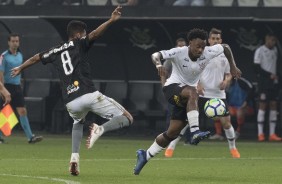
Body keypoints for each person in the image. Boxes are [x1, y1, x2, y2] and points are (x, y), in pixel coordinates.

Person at [11, 6, 133, 176]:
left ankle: (74, 159)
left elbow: (35, 58)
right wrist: (111, 20)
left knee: (78, 122)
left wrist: (20, 68)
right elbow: (96, 34)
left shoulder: (55, 50)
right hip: (87, 93)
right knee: (127, 117)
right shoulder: (78, 43)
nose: (85, 36)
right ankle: (100, 129)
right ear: (77, 35)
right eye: (84, 33)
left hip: (70, 102)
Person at [133, 28, 241, 175]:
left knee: (171, 133)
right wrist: (158, 65)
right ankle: (195, 131)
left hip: (187, 95)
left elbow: (226, 47)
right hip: (172, 88)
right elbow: (155, 55)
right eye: (198, 46)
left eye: (203, 46)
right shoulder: (179, 52)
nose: (201, 49)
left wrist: (233, 67)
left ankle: (145, 155)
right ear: (190, 43)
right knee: (192, 92)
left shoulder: (208, 52)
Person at [164, 28, 240, 159]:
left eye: (218, 39)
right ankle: (170, 148)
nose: (216, 41)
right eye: (213, 38)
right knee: (186, 121)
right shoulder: (203, 53)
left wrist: (227, 80)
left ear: (221, 40)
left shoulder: (224, 56)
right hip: (201, 93)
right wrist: (197, 84)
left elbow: (228, 74)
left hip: (218, 94)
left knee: (226, 123)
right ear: (209, 40)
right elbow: (193, 70)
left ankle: (233, 149)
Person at [0, 33, 43, 144]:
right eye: (13, 41)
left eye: (17, 41)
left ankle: (30, 137)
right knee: (4, 113)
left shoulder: (19, 55)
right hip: (6, 87)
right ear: (8, 42)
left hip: (17, 87)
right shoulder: (4, 56)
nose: (15, 43)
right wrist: (3, 90)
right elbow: (1, 73)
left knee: (22, 111)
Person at [254, 33, 281, 141]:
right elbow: (256, 68)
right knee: (263, 105)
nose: (273, 42)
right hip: (264, 83)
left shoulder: (275, 50)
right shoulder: (259, 50)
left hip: (273, 83)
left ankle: (272, 134)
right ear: (267, 39)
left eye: (275, 41)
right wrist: (269, 75)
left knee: (274, 105)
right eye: (272, 40)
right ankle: (260, 134)